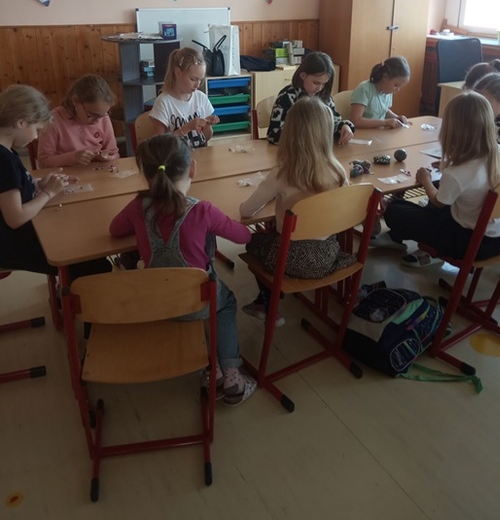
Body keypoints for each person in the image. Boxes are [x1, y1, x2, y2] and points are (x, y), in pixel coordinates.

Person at [109, 134, 256, 406]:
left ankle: (210, 369)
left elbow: (114, 230)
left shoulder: (138, 207)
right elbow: (243, 236)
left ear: (146, 174)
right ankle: (231, 374)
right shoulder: (203, 211)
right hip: (198, 302)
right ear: (193, 169)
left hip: (156, 303)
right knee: (226, 303)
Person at [240, 96, 356, 325]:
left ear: (290, 132)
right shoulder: (338, 170)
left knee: (253, 242)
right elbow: (343, 202)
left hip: (290, 258)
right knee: (276, 238)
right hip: (328, 254)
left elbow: (246, 211)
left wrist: (274, 198)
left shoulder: (282, 173)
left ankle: (266, 303)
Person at [382, 91, 500, 268]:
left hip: (469, 243)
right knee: (435, 204)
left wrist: (425, 180)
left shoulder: (458, 173)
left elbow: (438, 202)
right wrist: (451, 166)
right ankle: (407, 242)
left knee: (395, 210)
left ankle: (412, 244)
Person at [0, 84, 111, 278]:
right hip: (11, 245)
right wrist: (48, 193)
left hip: (18, 235)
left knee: (87, 247)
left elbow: (11, 190)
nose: (36, 136)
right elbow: (15, 218)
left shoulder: (8, 151)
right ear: (20, 122)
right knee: (93, 263)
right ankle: (70, 293)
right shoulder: (4, 160)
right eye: (36, 129)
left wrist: (39, 184)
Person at [266, 51, 354, 146]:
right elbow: (273, 135)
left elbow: (333, 123)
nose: (319, 88)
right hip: (296, 151)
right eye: (316, 83)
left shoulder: (324, 96)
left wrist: (343, 127)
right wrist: (307, 135)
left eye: (324, 84)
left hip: (319, 149)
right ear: (303, 75)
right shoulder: (286, 96)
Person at [37, 74, 119, 167]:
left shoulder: (102, 117)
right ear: (75, 101)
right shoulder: (54, 119)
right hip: (67, 173)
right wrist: (74, 157)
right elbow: (44, 162)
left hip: (97, 171)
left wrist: (108, 157)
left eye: (102, 115)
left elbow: (114, 153)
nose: (97, 121)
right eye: (92, 115)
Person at [149, 47, 219, 148]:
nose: (197, 85)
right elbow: (157, 145)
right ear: (178, 72)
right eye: (193, 79)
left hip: (199, 155)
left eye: (200, 80)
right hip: (174, 156)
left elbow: (206, 138)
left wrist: (208, 124)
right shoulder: (163, 102)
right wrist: (187, 128)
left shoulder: (201, 98)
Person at [349, 56, 411, 129]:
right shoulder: (364, 89)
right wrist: (385, 122)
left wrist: (396, 118)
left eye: (400, 86)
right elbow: (355, 121)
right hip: (362, 132)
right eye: (396, 85)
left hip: (378, 132)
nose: (397, 89)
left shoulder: (387, 92)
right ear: (385, 77)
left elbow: (384, 111)